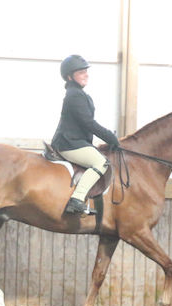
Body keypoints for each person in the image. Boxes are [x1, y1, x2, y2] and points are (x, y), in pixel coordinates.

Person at [52, 54, 120, 215]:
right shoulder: (75, 96)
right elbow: (88, 123)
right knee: (101, 163)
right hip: (69, 143)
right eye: (81, 72)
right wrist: (110, 137)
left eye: (85, 71)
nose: (86, 74)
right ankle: (77, 199)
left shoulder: (78, 94)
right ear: (70, 77)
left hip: (75, 141)